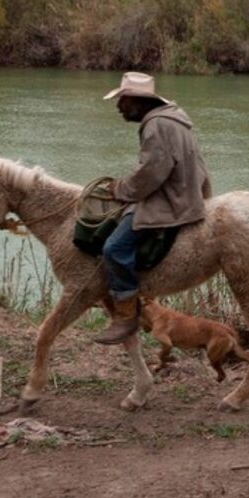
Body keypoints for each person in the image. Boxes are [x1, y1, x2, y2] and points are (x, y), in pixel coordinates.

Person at [93, 72, 211, 345]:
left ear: (136, 100)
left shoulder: (155, 125)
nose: (119, 107)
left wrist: (121, 189)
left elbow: (151, 172)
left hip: (171, 201)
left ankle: (125, 316)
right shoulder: (175, 119)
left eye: (122, 100)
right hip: (185, 194)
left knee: (114, 248)